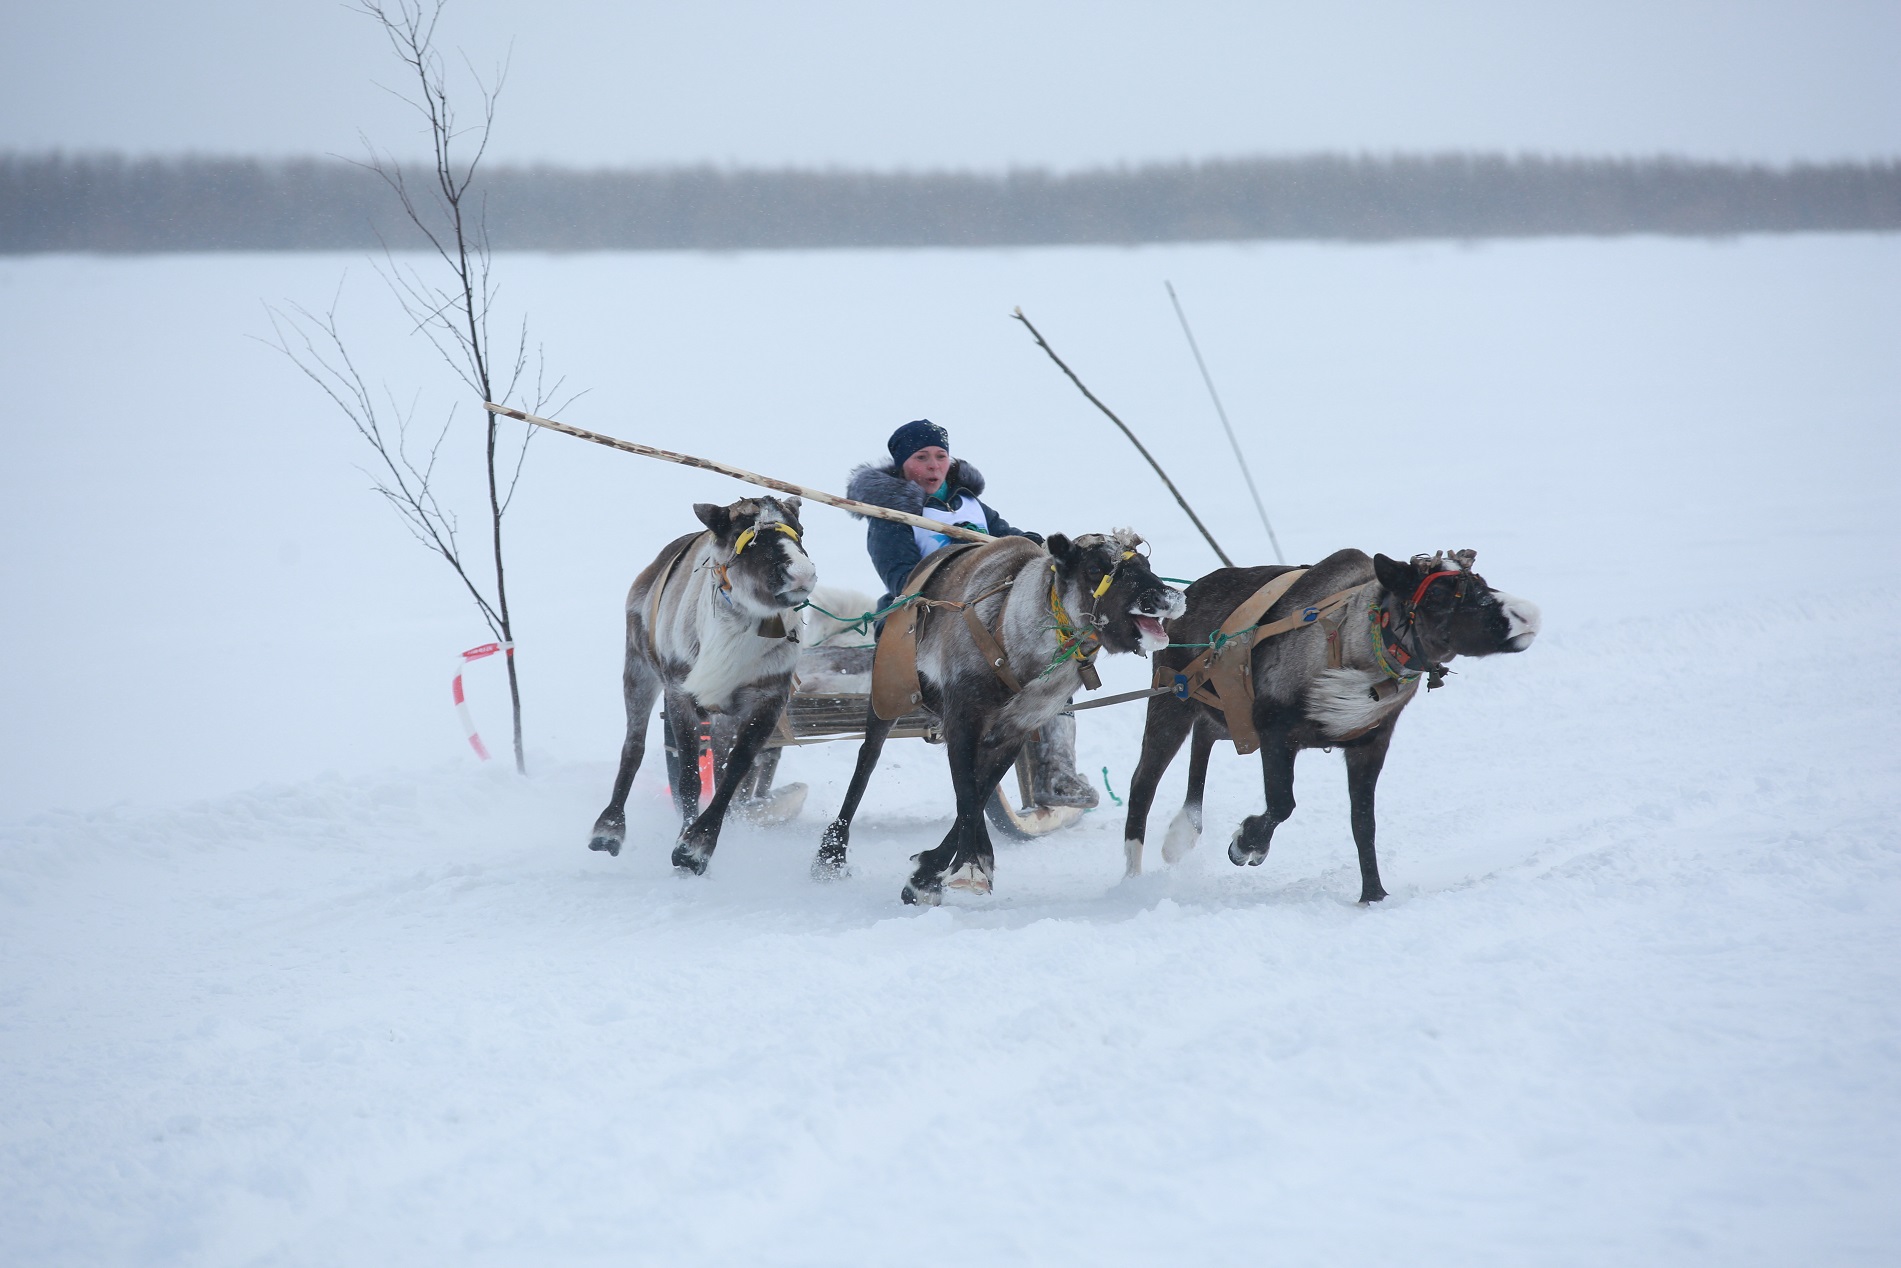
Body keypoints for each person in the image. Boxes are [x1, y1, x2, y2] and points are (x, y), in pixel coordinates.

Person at [846, 419, 1098, 809]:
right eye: (921, 458)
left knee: (1053, 660)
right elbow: (900, 580)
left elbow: (1012, 539)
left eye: (940, 456)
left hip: (984, 619)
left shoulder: (969, 503)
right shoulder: (891, 515)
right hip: (926, 624)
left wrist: (1037, 544)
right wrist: (956, 558)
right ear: (902, 464)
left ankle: (1057, 773)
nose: (933, 466)